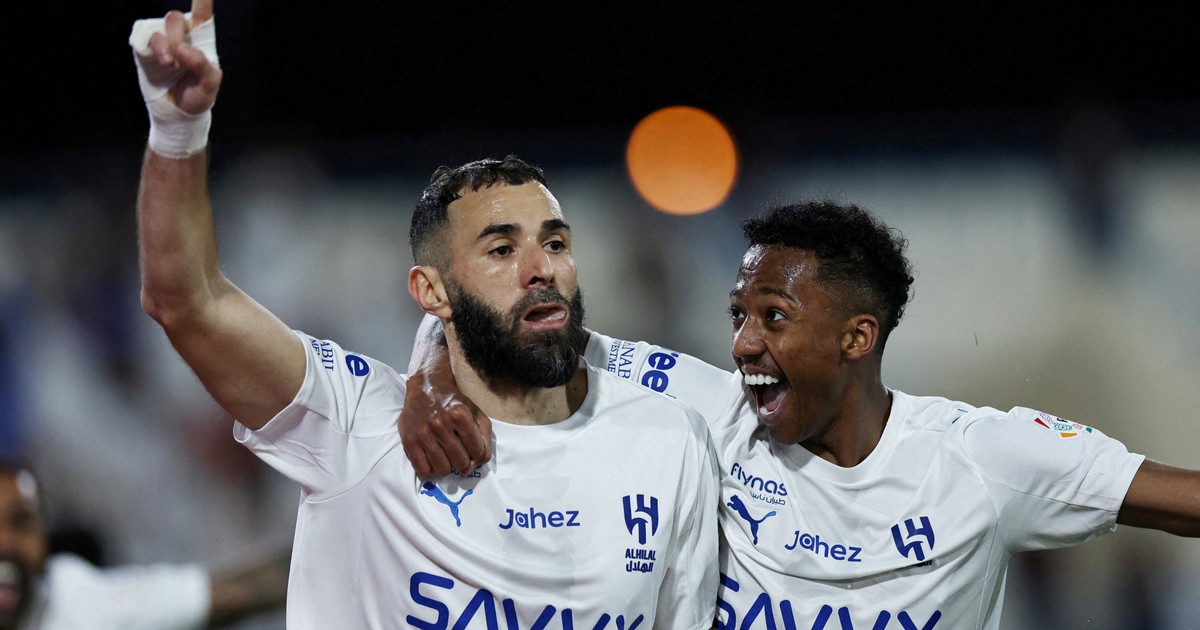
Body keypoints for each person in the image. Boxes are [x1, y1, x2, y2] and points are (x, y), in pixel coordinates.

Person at [127, 1, 719, 627]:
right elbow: (185, 301)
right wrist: (177, 130)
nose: (540, 267)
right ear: (430, 292)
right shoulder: (357, 429)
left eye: (554, 242)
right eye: (500, 249)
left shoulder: (667, 437)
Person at [401, 200, 1200, 629]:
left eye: (774, 318)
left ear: (857, 337)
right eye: (738, 316)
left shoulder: (981, 459)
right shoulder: (708, 412)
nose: (743, 343)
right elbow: (502, 325)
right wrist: (431, 382)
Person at [0, 459, 288, 630]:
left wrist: (314, 567)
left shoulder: (77, 602)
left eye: (21, 523)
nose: (5, 543)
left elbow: (232, 593)